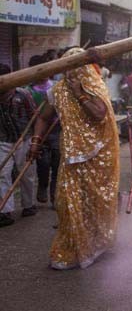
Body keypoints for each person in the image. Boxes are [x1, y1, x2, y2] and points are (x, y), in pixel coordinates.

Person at [29, 47, 120, 270]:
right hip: (70, 155)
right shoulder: (58, 90)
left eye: (75, 67)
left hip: (98, 156)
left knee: (96, 203)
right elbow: (43, 116)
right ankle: (71, 248)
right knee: (66, 204)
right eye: (67, 68)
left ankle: (96, 244)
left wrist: (80, 93)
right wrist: (36, 139)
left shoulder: (94, 85)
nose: (70, 73)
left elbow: (100, 114)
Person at [0, 64, 38, 226]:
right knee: (2, 173)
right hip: (3, 140)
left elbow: (35, 117)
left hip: (25, 138)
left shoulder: (23, 94)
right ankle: (5, 211)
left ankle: (28, 205)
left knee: (26, 174)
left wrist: (36, 140)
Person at [27, 55, 61, 207]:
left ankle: (55, 197)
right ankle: (43, 185)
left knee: (57, 164)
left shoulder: (56, 86)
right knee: (43, 163)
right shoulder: (27, 91)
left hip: (57, 130)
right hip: (39, 131)